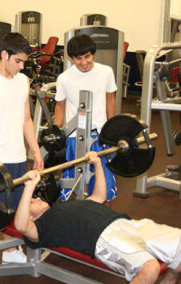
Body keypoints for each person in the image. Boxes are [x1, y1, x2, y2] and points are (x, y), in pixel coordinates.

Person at [14, 152, 181, 284]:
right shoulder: (42, 228)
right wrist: (29, 187)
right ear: (31, 217)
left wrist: (97, 164)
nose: (37, 198)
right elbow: (20, 225)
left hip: (130, 224)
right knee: (150, 268)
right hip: (106, 239)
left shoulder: (67, 206)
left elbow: (100, 196)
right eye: (32, 201)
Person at [0, 32, 44, 283]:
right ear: (4, 55)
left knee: (14, 206)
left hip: (17, 155)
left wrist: (34, 150)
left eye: (24, 62)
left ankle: (10, 249)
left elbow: (26, 120)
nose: (22, 66)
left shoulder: (23, 81)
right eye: (18, 61)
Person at [54, 34, 117, 202]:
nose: (83, 62)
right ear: (72, 58)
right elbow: (60, 107)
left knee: (105, 187)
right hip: (75, 137)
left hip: (101, 136)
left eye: (87, 56)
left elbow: (110, 99)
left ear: (93, 54)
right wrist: (55, 133)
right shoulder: (64, 78)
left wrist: (113, 129)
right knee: (70, 187)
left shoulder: (106, 72)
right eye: (78, 58)